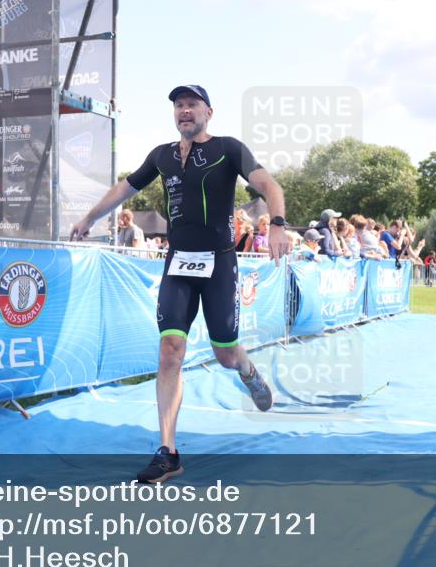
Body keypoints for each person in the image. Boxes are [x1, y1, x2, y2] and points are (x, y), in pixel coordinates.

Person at [69, 84, 290, 483]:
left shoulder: (228, 148)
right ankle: (168, 452)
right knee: (170, 349)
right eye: (179, 106)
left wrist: (276, 225)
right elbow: (125, 187)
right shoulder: (162, 156)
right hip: (178, 264)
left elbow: (270, 185)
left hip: (220, 264)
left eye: (192, 105)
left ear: (209, 111)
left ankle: (247, 369)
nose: (184, 111)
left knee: (225, 354)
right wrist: (89, 218)